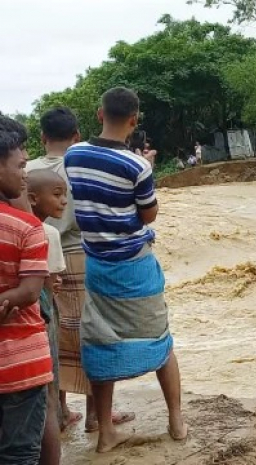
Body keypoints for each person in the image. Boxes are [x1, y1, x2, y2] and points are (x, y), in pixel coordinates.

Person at [64, 87, 187, 453]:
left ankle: (105, 434)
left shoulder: (74, 155)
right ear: (134, 121)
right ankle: (177, 421)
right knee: (160, 339)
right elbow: (148, 214)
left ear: (100, 114)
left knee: (100, 342)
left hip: (97, 266)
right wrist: (145, 165)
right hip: (134, 265)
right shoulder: (137, 166)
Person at [27, 107, 135, 433]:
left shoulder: (28, 170)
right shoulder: (80, 165)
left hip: (38, 260)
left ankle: (59, 411)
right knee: (94, 333)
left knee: (52, 333)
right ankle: (94, 415)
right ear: (76, 135)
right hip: (80, 255)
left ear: (42, 137)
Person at [0, 118, 52, 464]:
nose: (25, 173)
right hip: (22, 364)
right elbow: (32, 292)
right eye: (20, 165)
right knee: (19, 454)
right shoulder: (28, 228)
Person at [25, 169, 68, 465]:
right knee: (48, 398)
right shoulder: (47, 234)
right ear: (32, 199)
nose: (64, 201)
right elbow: (51, 287)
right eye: (57, 195)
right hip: (43, 318)